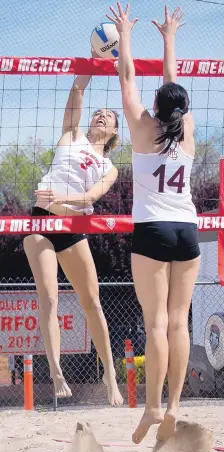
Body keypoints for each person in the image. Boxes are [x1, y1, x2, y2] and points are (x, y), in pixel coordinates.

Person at [107, 2, 200, 439]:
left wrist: (125, 33)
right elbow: (173, 89)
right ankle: (176, 405)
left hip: (152, 229)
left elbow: (128, 78)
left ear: (158, 107)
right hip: (187, 230)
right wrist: (170, 39)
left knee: (157, 323)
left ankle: (152, 407)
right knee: (179, 321)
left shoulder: (143, 128)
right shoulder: (190, 130)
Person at [23, 50, 123, 406]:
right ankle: (56, 371)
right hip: (41, 219)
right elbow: (78, 89)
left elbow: (91, 196)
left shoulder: (108, 165)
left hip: (73, 225)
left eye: (109, 116)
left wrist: (66, 195)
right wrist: (95, 60)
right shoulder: (71, 136)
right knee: (48, 296)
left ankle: (110, 373)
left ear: (113, 133)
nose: (102, 115)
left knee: (91, 302)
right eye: (100, 111)